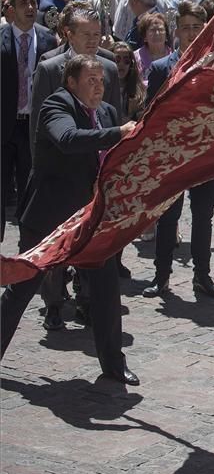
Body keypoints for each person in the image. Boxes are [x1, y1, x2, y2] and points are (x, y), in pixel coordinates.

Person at [0, 55, 139, 385]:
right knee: (22, 290)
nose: (98, 86)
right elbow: (69, 139)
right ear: (72, 83)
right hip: (49, 219)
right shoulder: (56, 106)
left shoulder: (105, 112)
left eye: (102, 81)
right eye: (90, 80)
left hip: (89, 220)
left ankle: (114, 365)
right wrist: (118, 133)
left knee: (106, 289)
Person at [142, 2, 214, 300]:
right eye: (186, 27)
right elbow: (150, 116)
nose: (191, 33)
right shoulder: (163, 68)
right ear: (176, 32)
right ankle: (161, 276)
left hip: (205, 153)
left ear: (206, 29)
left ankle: (202, 276)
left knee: (203, 217)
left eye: (197, 27)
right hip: (172, 155)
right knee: (168, 217)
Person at [1, 0, 57, 239]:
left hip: (33, 127)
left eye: (33, 2)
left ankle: (27, 252)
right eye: (23, 3)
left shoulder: (47, 39)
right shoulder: (1, 38)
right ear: (11, 10)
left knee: (29, 192)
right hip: (4, 125)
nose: (30, 7)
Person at [31, 3, 122, 151]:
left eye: (96, 34)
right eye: (86, 34)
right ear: (70, 36)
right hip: (62, 160)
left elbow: (114, 118)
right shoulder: (49, 69)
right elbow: (36, 124)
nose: (92, 40)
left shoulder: (110, 67)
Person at [111, 41, 145, 122]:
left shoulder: (140, 90)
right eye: (117, 59)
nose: (121, 64)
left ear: (131, 64)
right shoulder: (102, 87)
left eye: (126, 60)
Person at [134, 12, 171, 83]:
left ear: (166, 35)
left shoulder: (174, 57)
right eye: (152, 30)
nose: (157, 33)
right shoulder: (135, 58)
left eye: (161, 30)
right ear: (145, 37)